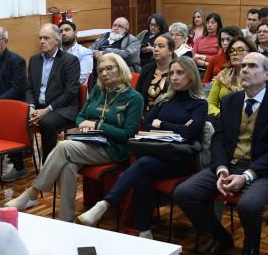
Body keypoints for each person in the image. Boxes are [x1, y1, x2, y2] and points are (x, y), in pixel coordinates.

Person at [174, 52, 268, 255]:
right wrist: (221, 168)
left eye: (252, 66)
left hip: (262, 171)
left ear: (267, 74)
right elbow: (218, 139)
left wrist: (247, 175)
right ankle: (221, 238)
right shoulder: (231, 100)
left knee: (248, 205)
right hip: (228, 165)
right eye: (243, 66)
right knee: (184, 192)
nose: (244, 69)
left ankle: (250, 250)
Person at [78, 56, 207, 238]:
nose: (174, 77)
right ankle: (144, 231)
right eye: (171, 73)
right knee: (143, 174)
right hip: (156, 154)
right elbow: (145, 126)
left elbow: (190, 132)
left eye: (180, 73)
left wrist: (161, 124)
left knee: (144, 164)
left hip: (181, 158)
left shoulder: (199, 103)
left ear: (192, 76)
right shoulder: (164, 100)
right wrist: (177, 127)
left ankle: (105, 204)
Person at [5, 54, 143, 222]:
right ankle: (66, 220)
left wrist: (98, 126)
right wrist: (84, 124)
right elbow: (80, 116)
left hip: (113, 148)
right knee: (68, 166)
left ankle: (32, 192)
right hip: (88, 142)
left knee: (64, 146)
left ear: (120, 69)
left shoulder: (134, 98)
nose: (105, 73)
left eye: (109, 68)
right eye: (100, 70)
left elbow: (127, 135)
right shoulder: (98, 91)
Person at [15, 24, 82, 176]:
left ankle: (48, 168)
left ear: (57, 41)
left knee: (46, 123)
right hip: (38, 106)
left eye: (46, 38)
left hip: (63, 108)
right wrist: (31, 107)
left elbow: (70, 93)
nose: (42, 42)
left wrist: (47, 110)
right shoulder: (34, 60)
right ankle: (19, 167)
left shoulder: (70, 61)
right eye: (40, 38)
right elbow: (29, 88)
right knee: (15, 118)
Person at [207, 35, 255, 116]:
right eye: (231, 50)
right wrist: (221, 115)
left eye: (240, 50)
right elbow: (210, 103)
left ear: (251, 52)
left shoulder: (258, 76)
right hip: (222, 119)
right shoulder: (222, 75)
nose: (234, 53)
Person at [135, 33, 174, 114]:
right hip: (144, 115)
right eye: (154, 46)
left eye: (160, 46)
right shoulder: (147, 69)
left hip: (167, 116)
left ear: (171, 50)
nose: (155, 49)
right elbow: (137, 94)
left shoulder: (178, 71)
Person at [58, 19, 94, 85]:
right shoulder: (56, 52)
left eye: (67, 30)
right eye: (60, 31)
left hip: (75, 92)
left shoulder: (85, 53)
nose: (63, 33)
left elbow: (81, 78)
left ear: (75, 32)